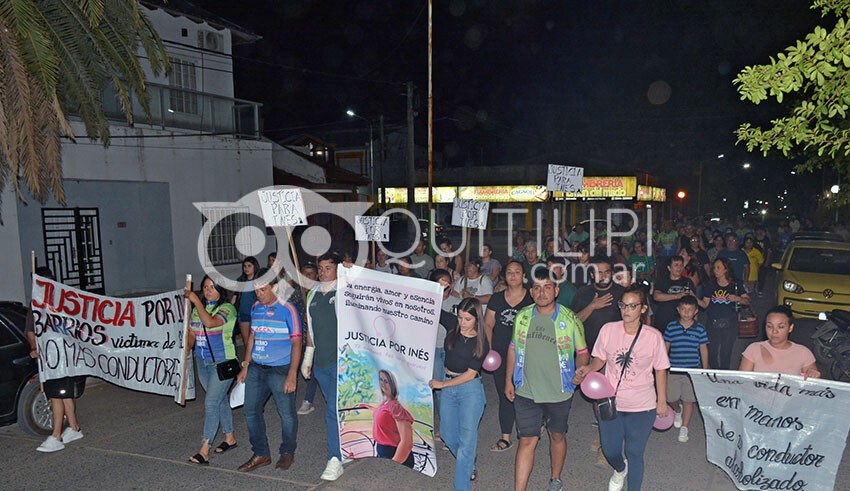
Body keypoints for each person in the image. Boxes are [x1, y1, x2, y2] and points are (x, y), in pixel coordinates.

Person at [573, 286, 670, 491]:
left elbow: (661, 369)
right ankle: (619, 468)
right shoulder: (608, 330)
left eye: (632, 306)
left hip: (642, 405)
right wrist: (588, 368)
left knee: (635, 452)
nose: (626, 310)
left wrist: (661, 401)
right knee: (610, 450)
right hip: (611, 402)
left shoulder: (653, 336)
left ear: (643, 309)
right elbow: (599, 359)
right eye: (623, 305)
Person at [505, 267, 589, 491]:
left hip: (559, 390)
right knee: (527, 440)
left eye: (547, 288)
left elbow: (582, 352)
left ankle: (555, 478)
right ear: (531, 292)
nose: (542, 293)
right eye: (537, 288)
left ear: (556, 290)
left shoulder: (570, 319)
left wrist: (581, 369)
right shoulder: (522, 317)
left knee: (557, 435)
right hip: (526, 389)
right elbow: (512, 348)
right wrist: (508, 381)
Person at [236, 274, 302, 472]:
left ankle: (287, 451)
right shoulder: (255, 308)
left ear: (274, 287)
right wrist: (246, 365)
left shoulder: (288, 309)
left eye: (263, 289)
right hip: (257, 368)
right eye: (256, 290)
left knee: (286, 414)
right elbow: (252, 338)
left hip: (281, 369)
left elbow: (297, 341)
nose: (259, 294)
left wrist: (292, 373)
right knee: (250, 411)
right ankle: (261, 453)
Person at [429, 298, 490, 490]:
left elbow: (470, 374)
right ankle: (468, 463)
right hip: (448, 388)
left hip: (469, 390)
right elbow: (431, 306)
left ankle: (461, 485)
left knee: (467, 440)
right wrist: (439, 288)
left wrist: (442, 384)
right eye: (460, 317)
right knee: (447, 434)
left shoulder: (481, 343)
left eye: (467, 319)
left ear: (477, 320)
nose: (462, 323)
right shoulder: (453, 326)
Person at [27, 267, 85, 453]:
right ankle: (74, 428)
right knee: (62, 393)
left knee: (57, 395)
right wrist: (35, 348)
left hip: (61, 358)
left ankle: (56, 435)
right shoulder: (37, 304)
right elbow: (31, 331)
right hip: (51, 358)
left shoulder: (62, 303)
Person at [186, 275, 239, 465]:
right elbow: (192, 334)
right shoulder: (194, 311)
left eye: (212, 287)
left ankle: (204, 449)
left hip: (222, 362)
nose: (208, 290)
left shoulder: (227, 309)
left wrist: (195, 302)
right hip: (202, 362)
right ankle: (230, 437)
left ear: (220, 290)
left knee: (210, 403)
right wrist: (186, 347)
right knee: (219, 400)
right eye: (205, 287)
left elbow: (210, 322)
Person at [302, 253, 346, 481]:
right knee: (335, 408)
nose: (323, 272)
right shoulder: (312, 295)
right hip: (321, 363)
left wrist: (353, 272)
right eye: (321, 268)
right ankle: (344, 446)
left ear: (337, 270)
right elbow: (310, 330)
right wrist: (308, 357)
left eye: (328, 268)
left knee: (332, 411)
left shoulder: (346, 291)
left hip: (342, 362)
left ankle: (335, 458)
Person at [483, 260, 533, 452]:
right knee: (505, 393)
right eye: (509, 272)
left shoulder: (532, 297)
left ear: (523, 276)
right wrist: (491, 347)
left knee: (527, 393)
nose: (513, 275)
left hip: (527, 354)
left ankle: (532, 427)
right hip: (501, 353)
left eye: (517, 272)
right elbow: (488, 323)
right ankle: (506, 437)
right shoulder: (496, 299)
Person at [663, 295, 709, 444]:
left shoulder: (700, 329)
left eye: (690, 310)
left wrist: (705, 368)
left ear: (695, 311)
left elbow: (703, 349)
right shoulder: (671, 327)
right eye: (683, 309)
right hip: (674, 369)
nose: (686, 313)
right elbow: (666, 347)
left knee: (689, 400)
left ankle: (685, 427)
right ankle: (677, 410)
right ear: (678, 310)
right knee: (671, 397)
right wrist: (662, 365)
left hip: (692, 371)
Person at [698, 258, 750, 370]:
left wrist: (738, 298)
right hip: (713, 323)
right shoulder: (710, 285)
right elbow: (705, 304)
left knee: (726, 353)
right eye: (714, 268)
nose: (715, 270)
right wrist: (693, 297)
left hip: (730, 324)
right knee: (712, 352)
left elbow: (747, 301)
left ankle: (723, 376)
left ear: (726, 269)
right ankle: (716, 373)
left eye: (718, 268)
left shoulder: (735, 284)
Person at [739, 306, 820, 377]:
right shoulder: (753, 349)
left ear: (790, 328)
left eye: (781, 327)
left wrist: (813, 375)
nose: (774, 331)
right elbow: (742, 382)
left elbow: (813, 385)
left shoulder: (803, 353)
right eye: (770, 326)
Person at [359, 370, 415, 468]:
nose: (383, 383)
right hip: (383, 451)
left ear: (392, 384)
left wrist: (394, 463)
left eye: (386, 381)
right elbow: (384, 415)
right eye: (381, 379)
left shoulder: (396, 407)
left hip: (395, 454)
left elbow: (407, 443)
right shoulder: (386, 403)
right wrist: (369, 407)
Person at [571, 256, 625, 351]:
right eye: (599, 273)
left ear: (612, 273)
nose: (603, 277)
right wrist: (592, 306)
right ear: (592, 275)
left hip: (616, 350)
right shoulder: (583, 293)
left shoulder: (622, 293)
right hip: (587, 351)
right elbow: (572, 323)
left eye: (607, 272)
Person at [652, 255, 696, 332]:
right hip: (663, 320)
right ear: (669, 268)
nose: (679, 268)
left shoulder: (688, 282)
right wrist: (678, 296)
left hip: (681, 322)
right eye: (676, 265)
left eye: (681, 265)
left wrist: (694, 325)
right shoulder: (662, 281)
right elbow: (657, 296)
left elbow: (693, 303)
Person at [231, 256, 261, 345]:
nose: (246, 268)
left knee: (255, 339)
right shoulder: (241, 280)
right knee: (246, 341)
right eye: (245, 266)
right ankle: (248, 358)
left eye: (249, 266)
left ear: (254, 267)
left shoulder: (259, 281)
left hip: (255, 313)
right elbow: (235, 296)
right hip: (243, 313)